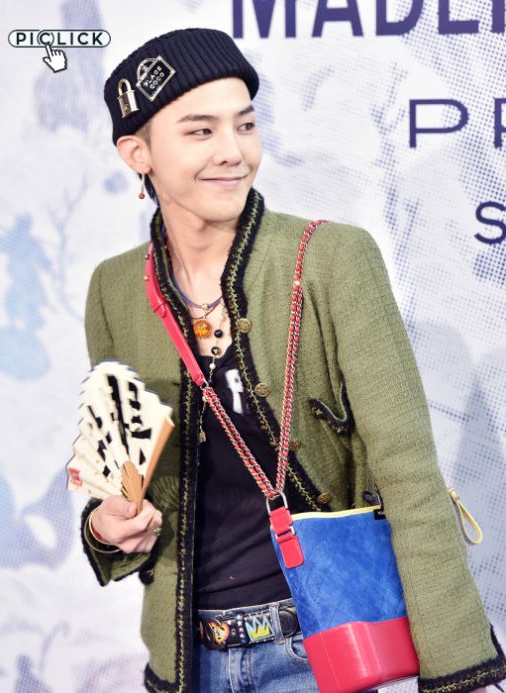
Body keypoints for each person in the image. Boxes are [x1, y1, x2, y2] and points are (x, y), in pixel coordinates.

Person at [79, 28, 506, 693]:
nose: (234, 151)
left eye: (245, 124)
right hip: (185, 662)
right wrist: (108, 527)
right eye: (201, 131)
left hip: (316, 653)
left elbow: (409, 474)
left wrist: (461, 672)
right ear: (139, 153)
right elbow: (116, 476)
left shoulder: (333, 260)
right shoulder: (114, 288)